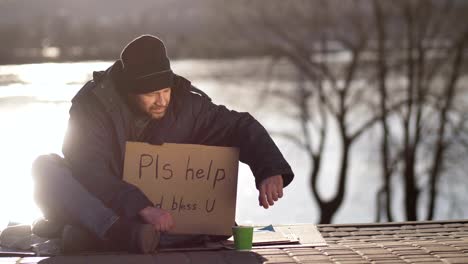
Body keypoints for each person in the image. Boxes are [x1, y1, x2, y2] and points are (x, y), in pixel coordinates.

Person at [32, 35, 294, 254]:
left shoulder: (187, 104)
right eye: (150, 94)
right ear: (128, 90)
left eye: (165, 91)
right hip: (107, 204)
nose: (161, 101)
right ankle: (115, 232)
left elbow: (239, 126)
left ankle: (91, 235)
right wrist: (141, 207)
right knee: (45, 167)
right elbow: (89, 170)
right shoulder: (92, 106)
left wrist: (269, 168)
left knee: (215, 226)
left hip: (161, 217)